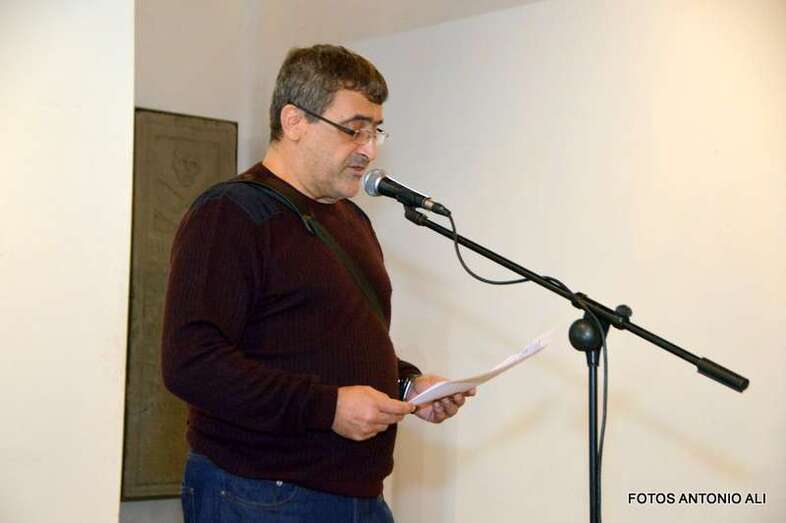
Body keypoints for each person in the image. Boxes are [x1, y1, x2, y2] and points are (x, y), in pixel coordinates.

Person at [161, 44, 474, 523]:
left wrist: (407, 385)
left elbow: (328, 345)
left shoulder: (351, 220)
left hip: (360, 496)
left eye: (375, 130)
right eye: (354, 129)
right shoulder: (230, 213)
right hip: (261, 494)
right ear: (294, 121)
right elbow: (191, 363)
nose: (369, 149)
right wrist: (327, 408)